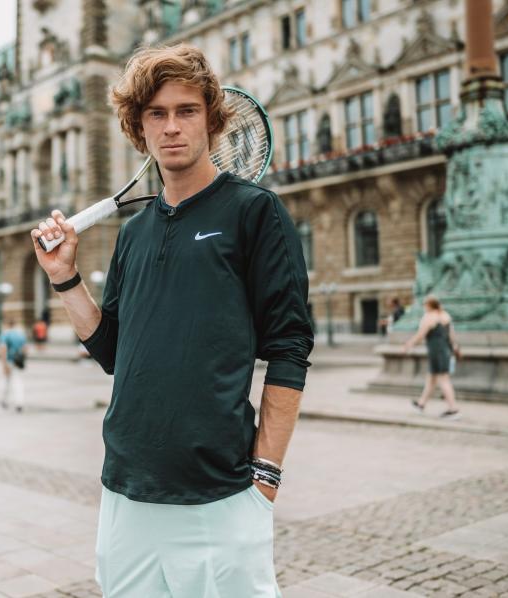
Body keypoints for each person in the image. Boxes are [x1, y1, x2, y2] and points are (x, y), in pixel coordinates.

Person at [30, 44, 313, 597]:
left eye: (186, 110)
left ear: (211, 117)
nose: (172, 126)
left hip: (220, 494)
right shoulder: (132, 233)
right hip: (126, 489)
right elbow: (112, 349)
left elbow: (289, 347)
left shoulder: (255, 212)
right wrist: (65, 277)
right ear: (139, 128)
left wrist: (266, 478)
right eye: (156, 114)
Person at [402, 295, 461, 419]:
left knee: (443, 380)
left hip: (436, 351)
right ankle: (421, 404)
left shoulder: (429, 317)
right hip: (444, 351)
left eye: (424, 305)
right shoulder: (445, 315)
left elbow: (420, 334)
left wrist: (409, 344)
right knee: (431, 379)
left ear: (428, 305)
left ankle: (453, 409)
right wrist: (455, 348)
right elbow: (452, 336)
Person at [0, 320, 27, 413]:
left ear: (7, 325)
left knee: (8, 381)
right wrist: (22, 360)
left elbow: (3, 349)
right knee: (17, 381)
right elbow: (25, 349)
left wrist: (4, 364)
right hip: (18, 362)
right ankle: (19, 403)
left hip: (9, 361)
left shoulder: (5, 335)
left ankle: (5, 401)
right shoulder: (20, 335)